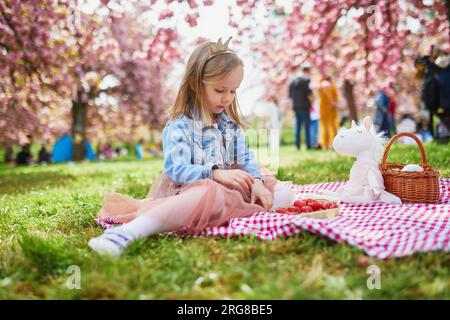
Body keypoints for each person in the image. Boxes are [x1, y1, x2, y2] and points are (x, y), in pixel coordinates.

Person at [88, 37, 295, 256]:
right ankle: (127, 233)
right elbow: (176, 169)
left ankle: (227, 207)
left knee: (282, 194)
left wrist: (257, 182)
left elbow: (245, 157)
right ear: (197, 84)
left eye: (233, 91)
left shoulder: (229, 124)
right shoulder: (180, 126)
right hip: (189, 187)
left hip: (227, 186)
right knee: (210, 194)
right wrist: (214, 174)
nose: (227, 98)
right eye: (220, 90)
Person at [289, 66, 312, 150]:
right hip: (305, 107)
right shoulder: (306, 81)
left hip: (296, 107)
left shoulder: (292, 82)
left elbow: (290, 96)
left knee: (298, 127)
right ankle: (308, 146)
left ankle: (297, 146)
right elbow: (310, 94)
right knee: (307, 127)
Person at [317, 75, 339, 150]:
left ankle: (333, 144)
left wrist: (334, 103)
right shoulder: (321, 86)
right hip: (324, 110)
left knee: (333, 127)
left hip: (331, 110)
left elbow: (336, 97)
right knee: (325, 127)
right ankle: (325, 144)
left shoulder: (332, 86)